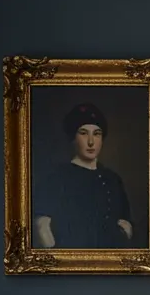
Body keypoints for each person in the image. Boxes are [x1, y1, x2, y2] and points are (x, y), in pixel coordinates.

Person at [33, 102, 133, 249]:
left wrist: (127, 231)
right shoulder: (56, 178)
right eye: (83, 133)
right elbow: (41, 225)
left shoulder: (113, 179)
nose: (91, 142)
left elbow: (125, 221)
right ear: (73, 137)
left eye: (97, 134)